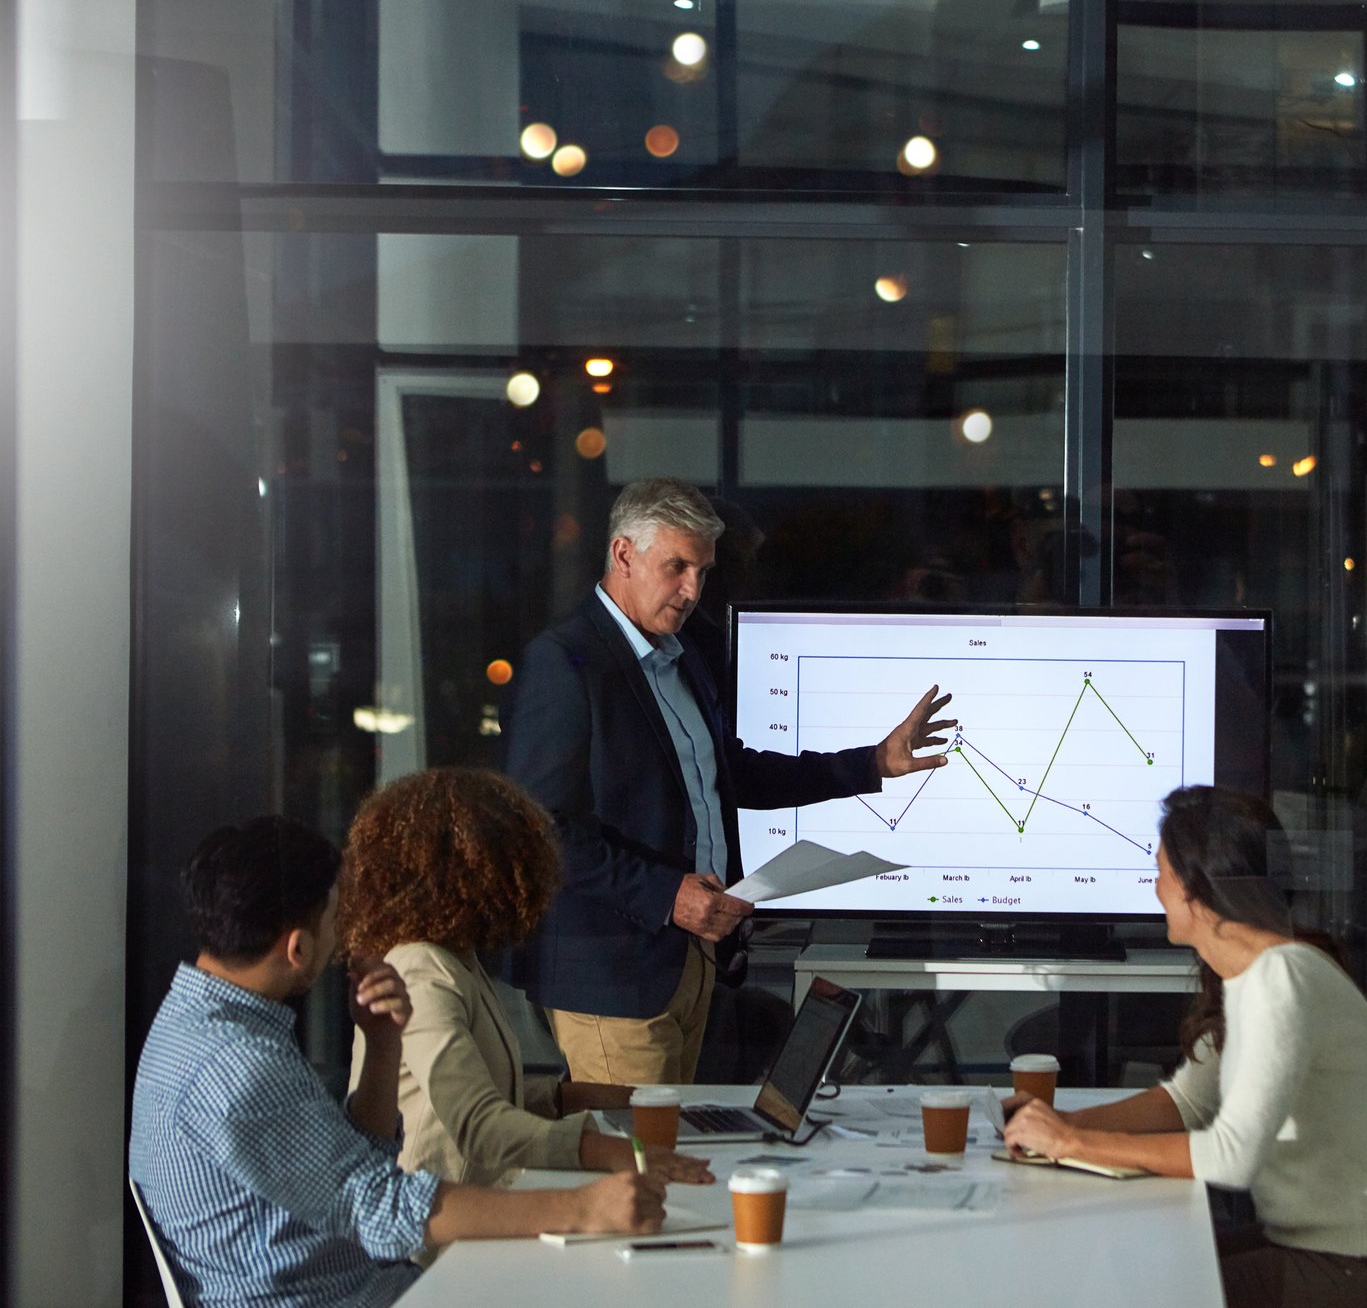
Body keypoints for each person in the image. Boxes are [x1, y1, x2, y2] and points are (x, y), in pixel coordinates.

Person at [504, 476, 952, 1085]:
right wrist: (669, 895)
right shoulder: (565, 660)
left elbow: (729, 774)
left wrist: (870, 762)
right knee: (640, 1165)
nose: (692, 591)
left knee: (674, 1162)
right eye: (677, 567)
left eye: (703, 571)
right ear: (623, 555)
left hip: (693, 960)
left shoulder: (682, 654)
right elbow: (541, 831)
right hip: (614, 975)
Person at [129, 817, 665, 1308]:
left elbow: (355, 1175)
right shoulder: (238, 1064)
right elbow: (382, 1208)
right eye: (335, 917)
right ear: (296, 948)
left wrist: (382, 1044)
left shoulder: (196, 1022)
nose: (343, 935)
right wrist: (582, 1209)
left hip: (358, 1282)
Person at [1002, 786, 1367, 1308]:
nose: (1154, 889)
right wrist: (1060, 1123)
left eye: (1161, 874)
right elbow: (1188, 1103)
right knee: (1141, 1263)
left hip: (1349, 1268)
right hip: (1328, 1246)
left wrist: (1071, 1143)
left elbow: (1231, 1159)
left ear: (1196, 891)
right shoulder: (1266, 971)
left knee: (1128, 1289)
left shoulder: (1280, 979)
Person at [338, 766, 716, 1196]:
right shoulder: (421, 971)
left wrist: (573, 1097)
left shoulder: (452, 957)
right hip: (440, 1235)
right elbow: (478, 1125)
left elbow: (478, 1088)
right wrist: (610, 1151)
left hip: (478, 1208)